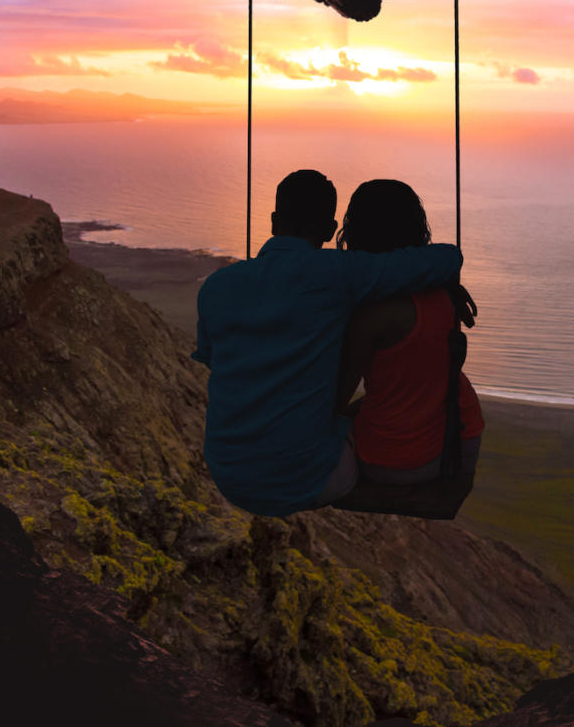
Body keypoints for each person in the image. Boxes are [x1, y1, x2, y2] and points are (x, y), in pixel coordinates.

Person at [191, 169, 462, 517]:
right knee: (368, 425)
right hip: (305, 479)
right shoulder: (339, 274)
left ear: (274, 221)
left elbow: (214, 358)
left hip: (228, 474)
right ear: (330, 230)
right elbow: (447, 258)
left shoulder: (215, 287)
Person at [335, 179, 484, 484]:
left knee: (318, 427)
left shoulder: (370, 314)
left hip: (395, 460)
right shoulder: (444, 290)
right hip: (462, 440)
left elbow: (337, 396)